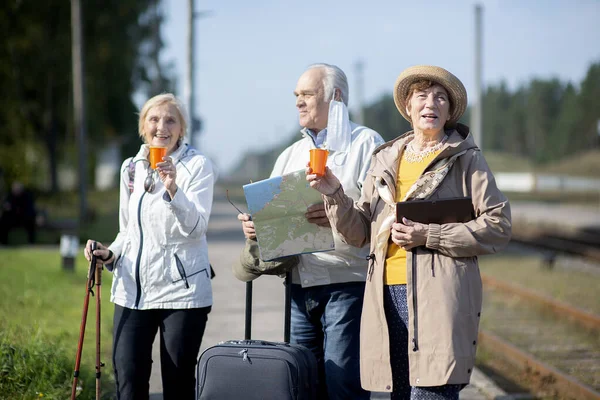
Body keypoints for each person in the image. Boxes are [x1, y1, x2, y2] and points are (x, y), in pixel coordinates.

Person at [307, 65, 512, 400]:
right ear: (408, 107)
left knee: (431, 393)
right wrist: (334, 193)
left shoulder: (465, 159)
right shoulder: (385, 158)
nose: (430, 103)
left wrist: (429, 236)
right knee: (401, 393)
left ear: (449, 110)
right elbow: (359, 232)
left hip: (440, 297)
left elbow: (498, 225)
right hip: (385, 295)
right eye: (422, 96)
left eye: (440, 97)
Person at [237, 63, 384, 399]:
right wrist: (255, 225)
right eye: (296, 96)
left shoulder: (367, 144)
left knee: (343, 385)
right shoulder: (291, 154)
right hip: (300, 286)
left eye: (307, 94)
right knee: (304, 385)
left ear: (336, 97)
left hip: (348, 283)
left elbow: (378, 218)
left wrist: (335, 210)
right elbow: (271, 217)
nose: (299, 102)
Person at [83, 93, 216, 400]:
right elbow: (127, 231)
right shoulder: (130, 168)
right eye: (154, 119)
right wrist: (110, 252)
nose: (162, 127)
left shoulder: (198, 166)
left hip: (182, 294)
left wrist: (173, 189)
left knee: (178, 387)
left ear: (182, 129)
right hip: (133, 291)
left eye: (171, 120)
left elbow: (196, 229)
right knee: (128, 382)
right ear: (143, 126)